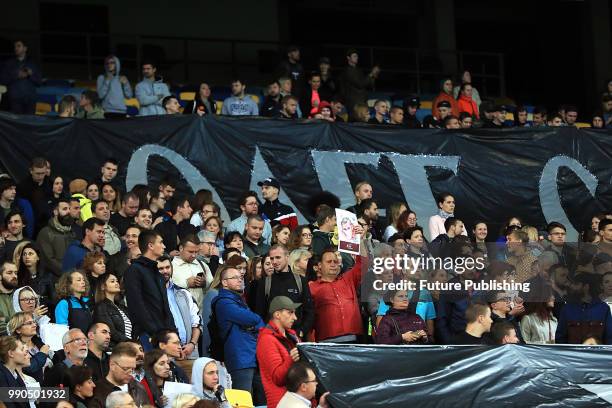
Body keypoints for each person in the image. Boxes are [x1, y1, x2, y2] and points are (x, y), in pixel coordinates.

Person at [309, 230, 366, 343]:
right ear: (319, 265)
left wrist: (361, 240)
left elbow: (363, 264)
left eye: (335, 261)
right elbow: (308, 316)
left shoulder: (348, 279)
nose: (333, 264)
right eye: (329, 261)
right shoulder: (311, 287)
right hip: (326, 341)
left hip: (354, 339)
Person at [213, 265, 264, 393]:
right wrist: (254, 322)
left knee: (261, 400)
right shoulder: (223, 302)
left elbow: (259, 325)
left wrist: (253, 323)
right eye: (234, 278)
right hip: (240, 358)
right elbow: (252, 319)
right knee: (243, 401)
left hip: (252, 356)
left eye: (241, 277)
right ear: (224, 282)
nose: (240, 280)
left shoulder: (238, 300)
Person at [124, 230, 175, 351]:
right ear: (150, 246)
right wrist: (154, 332)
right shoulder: (134, 270)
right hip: (147, 335)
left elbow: (165, 306)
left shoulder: (157, 273)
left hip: (163, 336)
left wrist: (172, 331)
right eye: (161, 242)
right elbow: (136, 305)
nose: (164, 246)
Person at [255, 245, 314, 339]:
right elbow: (260, 313)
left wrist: (301, 331)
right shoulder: (265, 283)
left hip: (296, 337)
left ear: (287, 257)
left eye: (278, 257)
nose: (274, 262)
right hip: (273, 338)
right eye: (272, 258)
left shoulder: (301, 281)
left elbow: (309, 311)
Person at [256, 296, 301, 408]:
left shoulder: (292, 336)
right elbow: (277, 378)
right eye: (290, 313)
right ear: (277, 315)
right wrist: (291, 359)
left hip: (297, 401)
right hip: (282, 403)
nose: (295, 317)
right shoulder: (266, 340)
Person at [158, 257, 202, 360]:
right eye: (160, 268)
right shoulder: (151, 296)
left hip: (189, 352)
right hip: (165, 355)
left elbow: (197, 321)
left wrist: (192, 344)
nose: (165, 271)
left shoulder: (184, 293)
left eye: (167, 267)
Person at [556, 274, 612, 344]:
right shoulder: (567, 309)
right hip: (572, 354)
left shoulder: (603, 308)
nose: (572, 287)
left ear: (586, 287)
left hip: (596, 354)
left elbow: (609, 337)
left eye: (576, 284)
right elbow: (560, 338)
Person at [89, 342, 148, 408]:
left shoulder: (139, 387)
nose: (130, 373)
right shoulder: (96, 391)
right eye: (126, 369)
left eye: (132, 369)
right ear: (112, 365)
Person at [7, 311, 52, 383]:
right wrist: (42, 354)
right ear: (18, 330)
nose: (34, 325)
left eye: (34, 322)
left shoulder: (37, 341)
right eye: (29, 323)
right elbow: (29, 368)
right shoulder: (14, 347)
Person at [36, 197, 76, 278]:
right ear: (55, 212)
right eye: (64, 209)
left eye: (69, 209)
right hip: (53, 279)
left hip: (72, 278)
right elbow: (48, 260)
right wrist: (68, 274)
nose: (68, 212)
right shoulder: (46, 233)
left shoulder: (72, 233)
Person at [0, 39, 41, 115]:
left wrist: (30, 75)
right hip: (15, 101)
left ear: (25, 48)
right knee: (16, 125)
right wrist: (16, 76)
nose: (16, 48)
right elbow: (2, 80)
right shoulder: (8, 64)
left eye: (18, 46)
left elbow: (39, 82)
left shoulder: (33, 64)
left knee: (30, 123)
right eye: (15, 46)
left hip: (30, 101)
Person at [93, 272, 135, 347]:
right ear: (103, 286)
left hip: (128, 347)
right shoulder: (101, 307)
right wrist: (130, 342)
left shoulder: (122, 307)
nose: (117, 283)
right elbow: (111, 332)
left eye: (117, 281)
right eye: (112, 281)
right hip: (116, 349)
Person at [172, 235, 213, 307]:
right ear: (181, 248)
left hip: (200, 313)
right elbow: (166, 288)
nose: (194, 255)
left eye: (196, 252)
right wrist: (186, 283)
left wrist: (204, 283)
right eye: (190, 252)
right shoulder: (170, 266)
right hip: (178, 312)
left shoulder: (203, 265)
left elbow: (212, 286)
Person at [340, 49, 379, 115]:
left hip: (362, 100)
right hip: (353, 102)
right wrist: (371, 74)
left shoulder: (359, 70)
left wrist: (373, 76)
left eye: (357, 56)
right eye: (354, 56)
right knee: (356, 121)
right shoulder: (347, 70)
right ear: (348, 58)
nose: (357, 58)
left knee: (364, 120)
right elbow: (360, 84)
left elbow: (368, 84)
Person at [0, 336, 31, 408]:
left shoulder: (15, 374)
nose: (25, 353)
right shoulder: (1, 377)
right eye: (21, 349)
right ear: (11, 353)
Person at [0, 262, 18, 335]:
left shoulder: (21, 295)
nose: (14, 276)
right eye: (9, 273)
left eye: (16, 273)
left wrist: (6, 319)